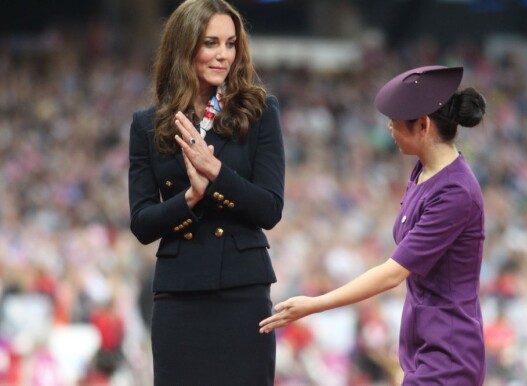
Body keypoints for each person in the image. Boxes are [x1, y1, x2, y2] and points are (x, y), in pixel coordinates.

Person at [260, 65, 487, 385]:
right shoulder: (423, 172)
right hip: (423, 345)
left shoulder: (455, 191)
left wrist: (315, 304)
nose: (389, 129)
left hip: (449, 352)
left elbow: (393, 273)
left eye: (395, 122)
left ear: (423, 125)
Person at [128, 0, 285, 384]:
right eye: (211, 43)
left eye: (231, 44)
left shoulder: (260, 111)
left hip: (243, 292)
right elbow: (143, 224)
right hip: (179, 294)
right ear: (184, 47)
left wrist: (216, 172)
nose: (223, 55)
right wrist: (190, 199)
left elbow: (269, 209)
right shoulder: (147, 124)